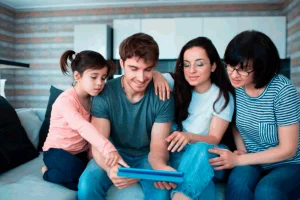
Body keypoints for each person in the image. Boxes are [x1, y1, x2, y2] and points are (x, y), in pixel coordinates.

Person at [77, 33, 177, 200]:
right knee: (87, 186)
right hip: (112, 153)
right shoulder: (105, 93)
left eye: (148, 70)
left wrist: (160, 167)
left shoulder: (163, 96)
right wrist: (111, 169)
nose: (141, 77)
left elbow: (158, 148)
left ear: (155, 67)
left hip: (147, 156)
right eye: (134, 68)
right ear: (122, 64)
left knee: (160, 194)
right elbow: (99, 142)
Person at [208, 30, 300, 200]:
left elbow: (289, 149)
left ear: (262, 68)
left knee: (267, 190)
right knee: (238, 184)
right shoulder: (236, 86)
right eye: (230, 66)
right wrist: (242, 149)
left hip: (289, 163)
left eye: (244, 70)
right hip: (252, 160)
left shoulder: (282, 90)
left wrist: (238, 160)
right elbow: (235, 122)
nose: (234, 75)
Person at [153, 37, 235, 200]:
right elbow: (148, 74)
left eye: (199, 64)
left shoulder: (222, 97)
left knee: (201, 148)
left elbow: (214, 138)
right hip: (178, 155)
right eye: (187, 64)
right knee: (202, 184)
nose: (192, 70)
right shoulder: (173, 83)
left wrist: (189, 137)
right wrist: (157, 75)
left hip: (209, 155)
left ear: (213, 66)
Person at [42, 50, 127, 190]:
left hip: (79, 152)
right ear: (78, 76)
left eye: (103, 78)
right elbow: (82, 127)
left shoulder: (95, 98)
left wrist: (156, 75)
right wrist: (108, 149)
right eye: (94, 77)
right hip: (56, 151)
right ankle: (46, 172)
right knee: (74, 174)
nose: (100, 83)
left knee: (88, 178)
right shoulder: (66, 100)